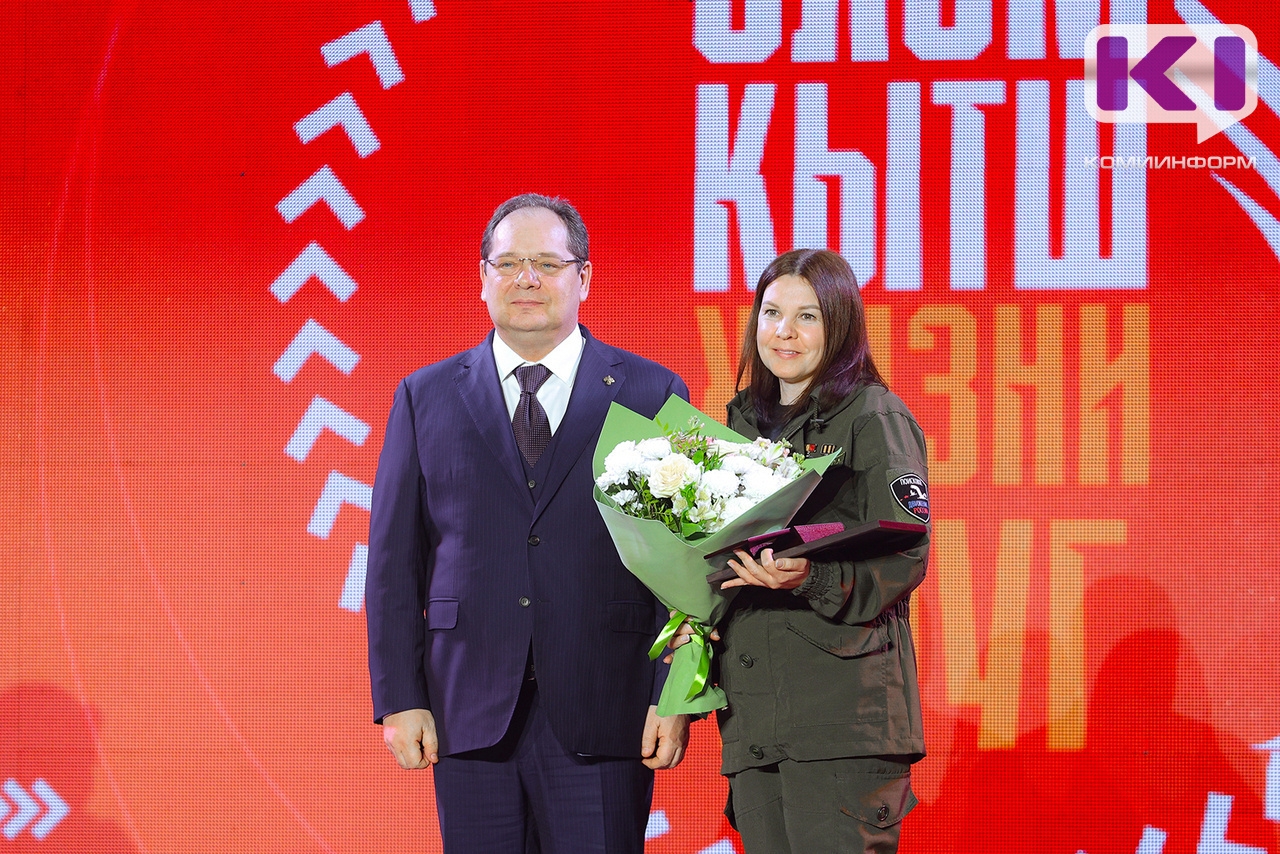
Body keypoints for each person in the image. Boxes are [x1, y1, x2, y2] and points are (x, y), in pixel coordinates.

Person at [365, 193, 691, 853]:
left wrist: (675, 694)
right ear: (482, 277)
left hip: (610, 706)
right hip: (467, 712)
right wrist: (399, 697)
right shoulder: (425, 397)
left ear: (584, 277)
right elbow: (395, 566)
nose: (527, 279)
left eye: (547, 263)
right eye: (509, 263)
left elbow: (682, 570)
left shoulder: (652, 393)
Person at [674, 248, 929, 853]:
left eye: (807, 316)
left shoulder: (873, 415)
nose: (784, 332)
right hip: (756, 720)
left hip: (841, 719)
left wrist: (810, 578)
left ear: (840, 324)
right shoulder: (741, 426)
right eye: (771, 313)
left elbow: (904, 551)